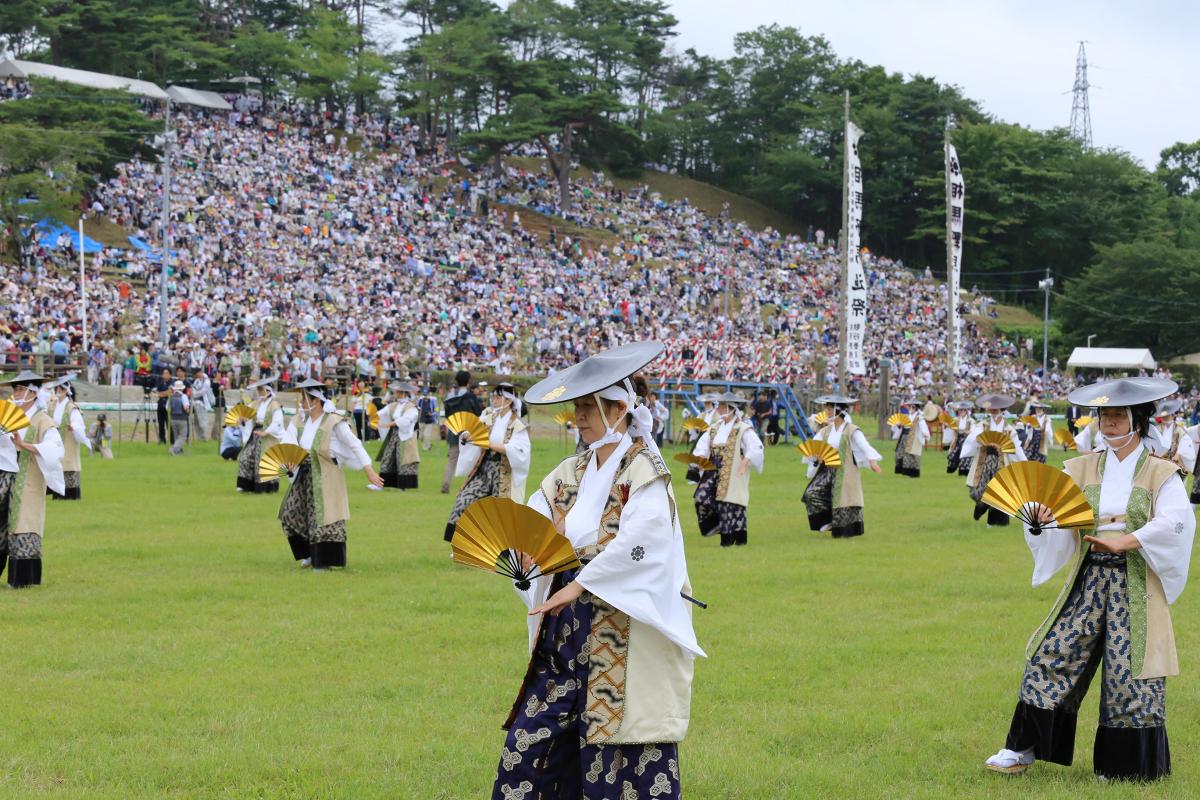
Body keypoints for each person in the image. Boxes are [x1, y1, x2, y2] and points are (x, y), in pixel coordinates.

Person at [491, 341, 703, 799]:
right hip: (565, 635)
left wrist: (581, 582)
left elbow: (645, 542)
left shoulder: (643, 469)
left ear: (619, 409)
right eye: (578, 407)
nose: (580, 416)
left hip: (619, 628)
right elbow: (536, 515)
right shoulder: (573, 470)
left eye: (589, 407)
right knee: (529, 747)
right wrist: (528, 550)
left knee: (621, 747)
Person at [985, 377, 1195, 782]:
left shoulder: (1161, 472)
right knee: (1053, 654)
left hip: (1135, 581)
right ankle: (1021, 748)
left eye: (1118, 415)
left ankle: (1123, 766)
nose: (1109, 422)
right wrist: (1041, 521)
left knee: (1130, 672)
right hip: (1089, 578)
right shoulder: (1078, 468)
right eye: (1103, 415)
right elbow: (1060, 518)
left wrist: (1127, 542)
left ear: (1139, 419)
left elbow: (1176, 522)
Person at [278, 379, 384, 569]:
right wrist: (288, 457)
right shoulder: (298, 420)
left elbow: (354, 444)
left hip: (327, 476)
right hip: (303, 476)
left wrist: (369, 470)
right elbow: (288, 441)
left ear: (316, 401)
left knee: (324, 519)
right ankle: (309, 554)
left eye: (304, 399)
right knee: (290, 513)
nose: (301, 403)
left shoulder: (333, 421)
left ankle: (324, 562)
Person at [443, 381, 531, 541]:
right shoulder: (489, 416)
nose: (494, 400)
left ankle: (501, 551)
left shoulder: (518, 425)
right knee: (465, 499)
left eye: (498, 397)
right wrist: (466, 436)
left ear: (508, 400)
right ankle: (461, 543)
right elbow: (473, 429)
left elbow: (520, 451)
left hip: (504, 472)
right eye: (493, 396)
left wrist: (489, 444)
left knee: (501, 513)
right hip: (484, 468)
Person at [0, 371, 65, 587]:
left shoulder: (41, 420)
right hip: (4, 479)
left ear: (33, 392)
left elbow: (56, 449)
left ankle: (23, 580)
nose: (16, 393)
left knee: (24, 523)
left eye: (20, 389)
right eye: (14, 389)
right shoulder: (6, 416)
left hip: (27, 481)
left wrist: (24, 445)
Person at [802, 394, 882, 538]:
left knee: (843, 500)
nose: (825, 411)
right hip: (827, 469)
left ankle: (842, 528)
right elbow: (813, 447)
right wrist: (816, 457)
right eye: (826, 407)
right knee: (811, 493)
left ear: (838, 410)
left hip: (845, 470)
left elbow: (864, 445)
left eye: (829, 408)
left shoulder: (851, 430)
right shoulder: (825, 431)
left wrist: (872, 460)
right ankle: (827, 521)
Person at [692, 391, 764, 547]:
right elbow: (702, 447)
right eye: (720, 406)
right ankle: (714, 526)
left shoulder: (743, 428)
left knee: (731, 504)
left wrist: (745, 462)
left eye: (724, 407)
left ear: (732, 408)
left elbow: (756, 447)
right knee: (701, 497)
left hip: (733, 470)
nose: (720, 410)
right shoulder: (713, 429)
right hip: (712, 471)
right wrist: (697, 463)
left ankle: (733, 541)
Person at [962, 394, 1026, 526]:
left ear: (1002, 409)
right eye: (992, 408)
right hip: (985, 461)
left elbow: (1016, 448)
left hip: (1001, 462)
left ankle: (994, 521)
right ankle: (982, 506)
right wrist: (983, 442)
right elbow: (973, 440)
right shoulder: (983, 425)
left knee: (1000, 491)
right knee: (979, 491)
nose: (994, 411)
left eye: (997, 408)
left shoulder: (1009, 429)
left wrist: (1024, 463)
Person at [46, 373, 91, 498]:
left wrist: (74, 427)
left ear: (66, 390)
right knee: (56, 466)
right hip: (55, 441)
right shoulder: (52, 405)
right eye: (57, 389)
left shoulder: (72, 407)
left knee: (69, 464)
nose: (58, 392)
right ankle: (57, 493)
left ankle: (70, 495)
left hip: (68, 441)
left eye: (60, 389)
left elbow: (78, 424)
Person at [236, 377, 284, 493]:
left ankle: (266, 488)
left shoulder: (275, 405)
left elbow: (277, 422)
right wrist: (242, 418)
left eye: (260, 390)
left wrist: (265, 432)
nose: (259, 392)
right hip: (255, 433)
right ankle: (246, 485)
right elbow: (247, 413)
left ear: (268, 391)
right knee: (245, 457)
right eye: (258, 390)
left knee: (263, 460)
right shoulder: (256, 403)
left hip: (268, 435)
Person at [440, 370, 483, 495]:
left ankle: (445, 485)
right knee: (472, 460)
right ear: (468, 381)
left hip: (454, 431)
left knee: (452, 460)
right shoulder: (470, 397)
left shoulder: (450, 396)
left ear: (456, 381)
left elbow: (448, 415)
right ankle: (469, 486)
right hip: (469, 432)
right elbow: (478, 413)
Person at [376, 381, 420, 490]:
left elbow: (406, 420)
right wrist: (373, 417)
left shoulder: (412, 407)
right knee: (388, 457)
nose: (395, 394)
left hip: (406, 436)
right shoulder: (394, 405)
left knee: (404, 459)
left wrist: (389, 424)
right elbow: (381, 413)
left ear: (403, 393)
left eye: (397, 392)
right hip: (393, 434)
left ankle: (403, 485)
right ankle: (381, 484)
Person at [1153, 399, 1196, 475]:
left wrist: (1177, 454)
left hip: (1175, 460)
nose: (1164, 418)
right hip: (1160, 460)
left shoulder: (1179, 428)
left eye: (1166, 416)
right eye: (1163, 416)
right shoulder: (1157, 428)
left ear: (1171, 415)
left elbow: (1185, 442)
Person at [892, 401, 930, 478]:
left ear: (916, 408)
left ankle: (913, 473)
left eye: (912, 407)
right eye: (909, 407)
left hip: (914, 438)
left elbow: (923, 426)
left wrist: (924, 433)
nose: (910, 409)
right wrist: (899, 425)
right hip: (904, 436)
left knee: (912, 455)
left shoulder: (919, 417)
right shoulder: (907, 416)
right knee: (900, 453)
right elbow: (900, 425)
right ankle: (904, 471)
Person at [943, 401, 974, 474]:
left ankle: (964, 471)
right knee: (952, 454)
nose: (961, 411)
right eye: (960, 410)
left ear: (966, 411)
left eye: (963, 410)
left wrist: (967, 432)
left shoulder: (970, 420)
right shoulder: (956, 419)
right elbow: (949, 424)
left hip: (967, 440)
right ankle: (952, 468)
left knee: (965, 456)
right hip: (957, 439)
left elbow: (972, 430)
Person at [168, 380, 191, 456]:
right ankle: (174, 448)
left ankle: (179, 451)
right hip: (182, 418)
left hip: (173, 418)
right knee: (183, 436)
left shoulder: (171, 397)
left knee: (176, 435)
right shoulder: (184, 396)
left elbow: (167, 408)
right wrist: (188, 412)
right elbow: (186, 407)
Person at [191, 370, 214, 442]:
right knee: (196, 421)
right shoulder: (197, 380)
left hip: (203, 402)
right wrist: (194, 393)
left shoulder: (206, 380)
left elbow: (204, 390)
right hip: (195, 402)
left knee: (202, 420)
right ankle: (199, 437)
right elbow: (193, 388)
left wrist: (195, 394)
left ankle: (204, 437)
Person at [417, 387, 439, 451]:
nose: (425, 396)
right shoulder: (420, 400)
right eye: (424, 394)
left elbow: (436, 410)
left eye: (426, 394)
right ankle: (428, 444)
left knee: (427, 435)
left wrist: (433, 414)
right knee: (421, 436)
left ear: (429, 394)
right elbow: (417, 407)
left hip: (429, 420)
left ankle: (426, 448)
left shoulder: (433, 400)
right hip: (421, 420)